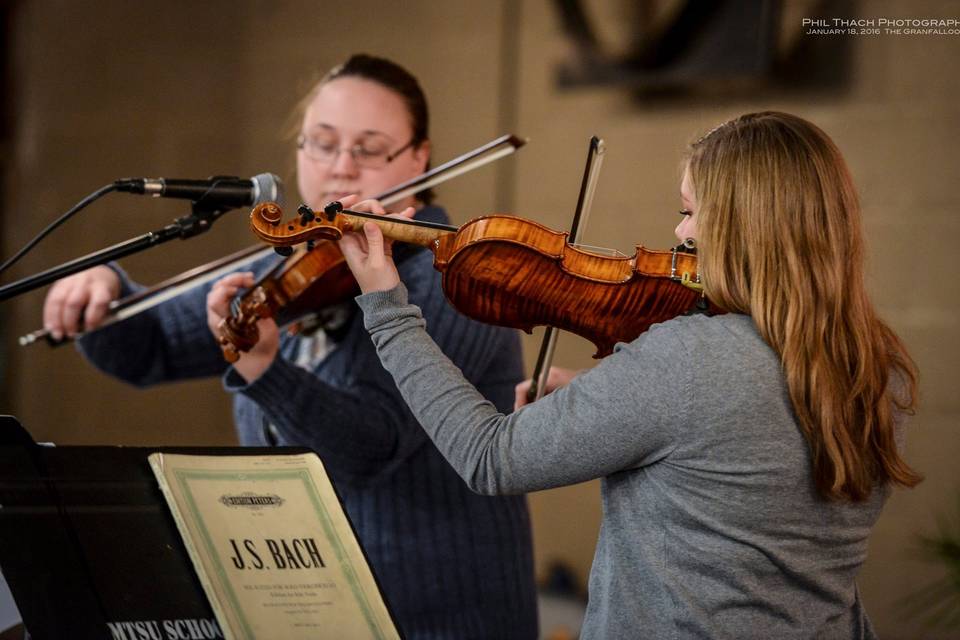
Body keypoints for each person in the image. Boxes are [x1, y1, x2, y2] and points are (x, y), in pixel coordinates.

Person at [338, 111, 921, 639]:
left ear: (748, 225)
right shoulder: (876, 369)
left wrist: (388, 306)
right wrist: (600, 401)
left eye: (692, 212)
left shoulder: (691, 359)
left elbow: (489, 457)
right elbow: (731, 456)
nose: (682, 234)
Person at [41, 54, 539, 639]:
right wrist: (104, 291)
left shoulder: (460, 279)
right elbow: (148, 348)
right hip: (307, 614)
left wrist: (267, 372)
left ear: (419, 157)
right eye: (321, 143)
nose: (340, 169)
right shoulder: (291, 266)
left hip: (437, 615)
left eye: (370, 148)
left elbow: (372, 447)